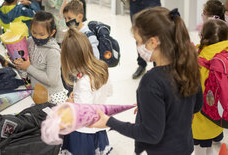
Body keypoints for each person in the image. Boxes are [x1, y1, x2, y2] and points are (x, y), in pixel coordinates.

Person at [90, 7, 203, 155]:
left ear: (152, 42)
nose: (138, 47)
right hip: (186, 148)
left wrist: (109, 121)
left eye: (138, 42)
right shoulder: (189, 66)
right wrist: (153, 107)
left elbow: (151, 134)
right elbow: (196, 106)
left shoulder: (151, 81)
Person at [60, 28, 113, 155]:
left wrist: (70, 103)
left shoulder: (83, 81)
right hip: (98, 126)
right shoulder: (102, 68)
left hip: (82, 133)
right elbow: (109, 92)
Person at [14, 11, 67, 105]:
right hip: (37, 93)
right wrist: (15, 56)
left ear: (52, 33)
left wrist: (28, 68)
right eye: (34, 32)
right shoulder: (30, 42)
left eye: (41, 34)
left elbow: (52, 81)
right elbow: (23, 58)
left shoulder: (53, 52)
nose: (37, 37)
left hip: (52, 97)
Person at [192, 19, 228, 155]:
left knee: (200, 148)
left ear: (203, 37)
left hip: (201, 117)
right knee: (209, 145)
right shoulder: (225, 54)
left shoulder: (200, 61)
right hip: (218, 115)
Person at [130, 0, 161, 79]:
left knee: (155, 33)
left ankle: (157, 66)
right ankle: (141, 65)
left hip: (151, 2)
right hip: (135, 3)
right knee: (138, 34)